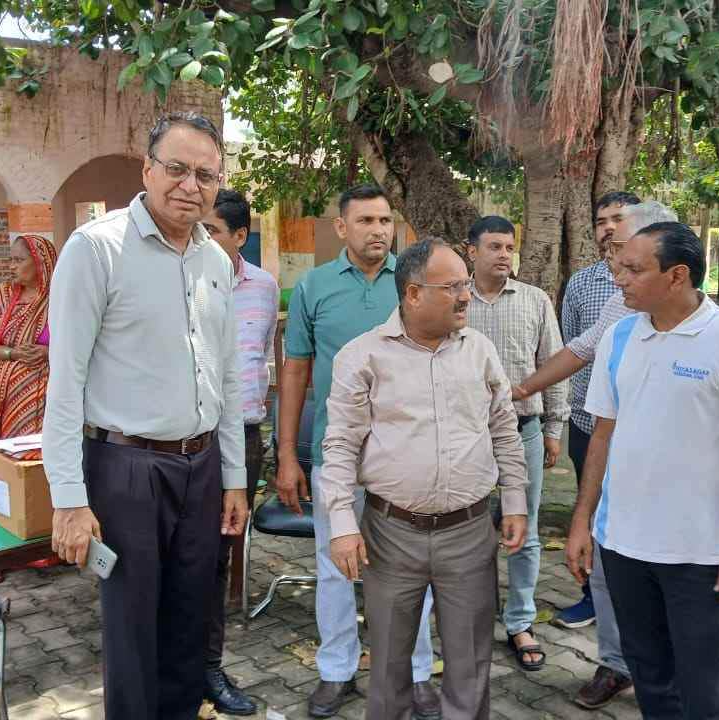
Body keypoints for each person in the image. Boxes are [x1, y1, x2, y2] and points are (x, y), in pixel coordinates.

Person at [41, 111, 250, 720]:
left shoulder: (214, 260)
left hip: (202, 463)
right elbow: (66, 382)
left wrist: (233, 476)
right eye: (177, 169)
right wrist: (69, 498)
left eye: (206, 175)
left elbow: (229, 376)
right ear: (148, 169)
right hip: (125, 467)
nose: (191, 185)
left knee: (191, 614)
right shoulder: (96, 249)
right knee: (132, 626)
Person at [566, 221, 719, 720]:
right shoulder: (619, 335)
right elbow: (601, 435)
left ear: (677, 276)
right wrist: (582, 522)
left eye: (635, 269)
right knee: (652, 680)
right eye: (620, 266)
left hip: (697, 552)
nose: (621, 278)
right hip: (622, 546)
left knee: (705, 689)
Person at [321, 237, 528, 720]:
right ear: (413, 294)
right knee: (390, 663)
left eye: (466, 284)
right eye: (452, 286)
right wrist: (342, 525)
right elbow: (341, 445)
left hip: (470, 532)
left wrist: (515, 500)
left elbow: (503, 426)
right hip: (390, 535)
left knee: (471, 661)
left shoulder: (479, 350)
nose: (465, 296)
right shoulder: (362, 356)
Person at [277, 184, 439, 719]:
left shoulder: (414, 286)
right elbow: (295, 370)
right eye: (366, 220)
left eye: (386, 220)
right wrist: (286, 456)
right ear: (341, 228)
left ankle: (416, 674)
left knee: (412, 569)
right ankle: (336, 669)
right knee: (334, 565)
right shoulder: (314, 288)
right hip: (338, 453)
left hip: (409, 456)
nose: (378, 230)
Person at [512, 200, 676, 707]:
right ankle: (617, 664)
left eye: (625, 248)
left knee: (668, 570)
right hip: (605, 442)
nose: (614, 256)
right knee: (607, 561)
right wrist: (521, 391)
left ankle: (668, 671)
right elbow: (582, 346)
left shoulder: (716, 332)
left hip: (669, 470)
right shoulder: (620, 311)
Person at [463, 215, 568, 671]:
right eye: (494, 247)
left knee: (522, 530)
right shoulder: (455, 298)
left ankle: (520, 620)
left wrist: (553, 429)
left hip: (524, 432)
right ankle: (470, 619)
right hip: (464, 438)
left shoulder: (535, 300)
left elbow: (555, 363)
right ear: (471, 251)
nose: (504, 255)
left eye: (509, 247)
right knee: (466, 534)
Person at [199, 188, 279, 717]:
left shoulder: (265, 288)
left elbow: (268, 353)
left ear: (240, 237)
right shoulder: (179, 277)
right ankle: (168, 661)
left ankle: (208, 665)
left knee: (222, 547)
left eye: (213, 231)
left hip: (243, 435)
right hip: (185, 437)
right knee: (181, 549)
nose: (203, 239)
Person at [555, 190, 640, 630]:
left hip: (640, 432)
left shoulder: (664, 281)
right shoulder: (585, 283)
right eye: (601, 220)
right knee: (588, 511)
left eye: (617, 218)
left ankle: (631, 607)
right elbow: (576, 345)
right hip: (590, 422)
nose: (608, 227)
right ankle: (593, 597)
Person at [0, 233, 57, 446]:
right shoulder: (0, 297)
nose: (12, 266)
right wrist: (13, 353)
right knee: (5, 456)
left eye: (19, 260)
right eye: (11, 260)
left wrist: (48, 352)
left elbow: (83, 343)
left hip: (50, 395)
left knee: (40, 456)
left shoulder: (62, 298)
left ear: (40, 261)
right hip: (1, 393)